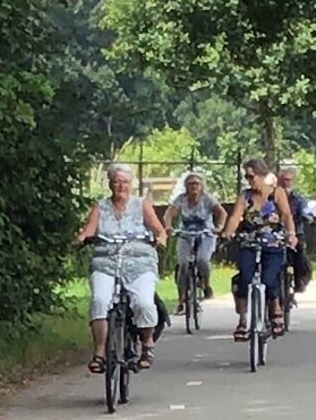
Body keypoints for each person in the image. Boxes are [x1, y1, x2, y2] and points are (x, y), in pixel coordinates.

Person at [73, 163, 168, 373]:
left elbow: (159, 231)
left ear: (131, 184)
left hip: (140, 262)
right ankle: (99, 353)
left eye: (125, 182)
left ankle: (147, 344)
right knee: (99, 301)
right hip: (106, 262)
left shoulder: (141, 205)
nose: (121, 186)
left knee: (143, 302)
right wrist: (82, 238)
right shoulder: (101, 206)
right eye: (116, 181)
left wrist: (160, 239)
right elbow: (89, 229)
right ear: (110, 184)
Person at [219, 158, 297, 341]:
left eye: (251, 176)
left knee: (269, 280)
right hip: (250, 242)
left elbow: (286, 215)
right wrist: (227, 233)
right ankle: (243, 319)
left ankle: (276, 310)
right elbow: (235, 217)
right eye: (246, 176)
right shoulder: (245, 196)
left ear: (263, 175)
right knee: (244, 278)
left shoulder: (276, 193)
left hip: (273, 243)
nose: (249, 180)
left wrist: (291, 233)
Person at [167, 171, 226, 316]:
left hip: (205, 234)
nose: (194, 187)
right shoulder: (180, 199)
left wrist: (219, 227)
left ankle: (206, 285)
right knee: (183, 265)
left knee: (202, 260)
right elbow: (169, 214)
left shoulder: (208, 199)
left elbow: (222, 213)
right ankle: (181, 300)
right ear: (185, 186)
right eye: (190, 184)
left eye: (197, 184)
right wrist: (168, 227)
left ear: (202, 186)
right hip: (186, 234)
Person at [276, 166, 314, 292]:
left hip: (295, 232)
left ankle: (300, 281)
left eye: (288, 180)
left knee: (300, 256)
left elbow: (305, 209)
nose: (285, 183)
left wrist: (307, 216)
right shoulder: (272, 197)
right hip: (275, 233)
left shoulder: (298, 198)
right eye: (283, 180)